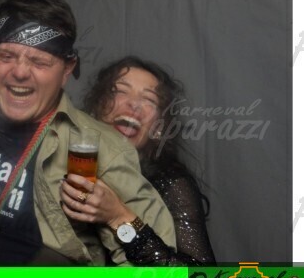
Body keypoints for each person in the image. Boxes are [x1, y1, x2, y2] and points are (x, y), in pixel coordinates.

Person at [0, 0, 176, 265]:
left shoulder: (103, 149)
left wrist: (116, 216)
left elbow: (160, 274)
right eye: (6, 56)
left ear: (67, 69)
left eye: (39, 61)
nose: (20, 72)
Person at [60, 56, 216, 265]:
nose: (133, 104)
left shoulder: (171, 183)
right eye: (120, 91)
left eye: (149, 99)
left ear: (159, 127)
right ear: (97, 108)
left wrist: (119, 217)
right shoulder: (60, 160)